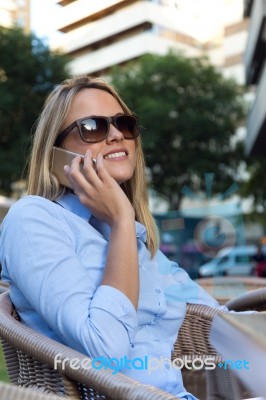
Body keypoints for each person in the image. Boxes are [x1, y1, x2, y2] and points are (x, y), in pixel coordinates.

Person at [0, 75, 224, 399]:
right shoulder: (33, 219)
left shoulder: (139, 242)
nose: (117, 135)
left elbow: (222, 319)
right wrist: (121, 220)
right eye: (93, 127)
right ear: (56, 154)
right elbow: (107, 351)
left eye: (124, 124)